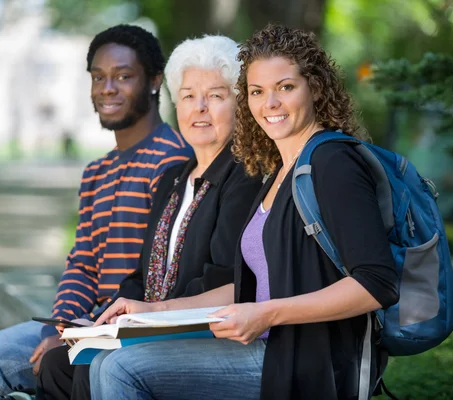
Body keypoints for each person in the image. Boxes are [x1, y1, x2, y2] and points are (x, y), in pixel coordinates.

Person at [90, 24, 400, 400]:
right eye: (257, 91)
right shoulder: (279, 172)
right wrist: (152, 309)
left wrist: (267, 314)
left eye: (285, 87)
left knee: (123, 368)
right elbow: (246, 287)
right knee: (106, 360)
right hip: (263, 346)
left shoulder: (333, 161)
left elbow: (377, 283)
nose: (269, 103)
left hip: (308, 363)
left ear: (315, 87)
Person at [0, 24, 194, 400]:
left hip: (133, 328)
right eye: (98, 77)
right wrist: (58, 327)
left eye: (123, 76)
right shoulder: (96, 172)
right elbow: (82, 263)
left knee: (0, 363)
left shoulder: (174, 161)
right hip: (83, 323)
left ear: (154, 81)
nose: (107, 88)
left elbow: (164, 274)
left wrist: (83, 331)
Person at [35, 34, 263, 400]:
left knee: (90, 364)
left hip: (200, 333)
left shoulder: (245, 178)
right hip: (150, 324)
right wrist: (102, 318)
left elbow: (228, 279)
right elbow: (141, 275)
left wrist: (150, 314)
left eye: (216, 95)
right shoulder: (174, 178)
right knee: (59, 362)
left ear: (240, 104)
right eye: (189, 96)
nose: (199, 108)